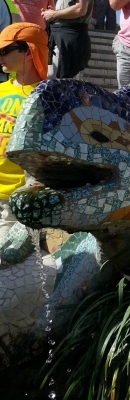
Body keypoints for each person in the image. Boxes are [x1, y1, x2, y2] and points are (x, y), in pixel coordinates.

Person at [0, 23, 48, 257]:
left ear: (28, 51)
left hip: (16, 198)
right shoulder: (1, 89)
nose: (0, 56)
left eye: (4, 50)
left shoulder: (46, 95)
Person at [41, 0, 92, 80]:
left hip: (69, 42)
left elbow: (80, 9)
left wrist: (54, 15)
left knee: (62, 86)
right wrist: (51, 15)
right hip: (63, 41)